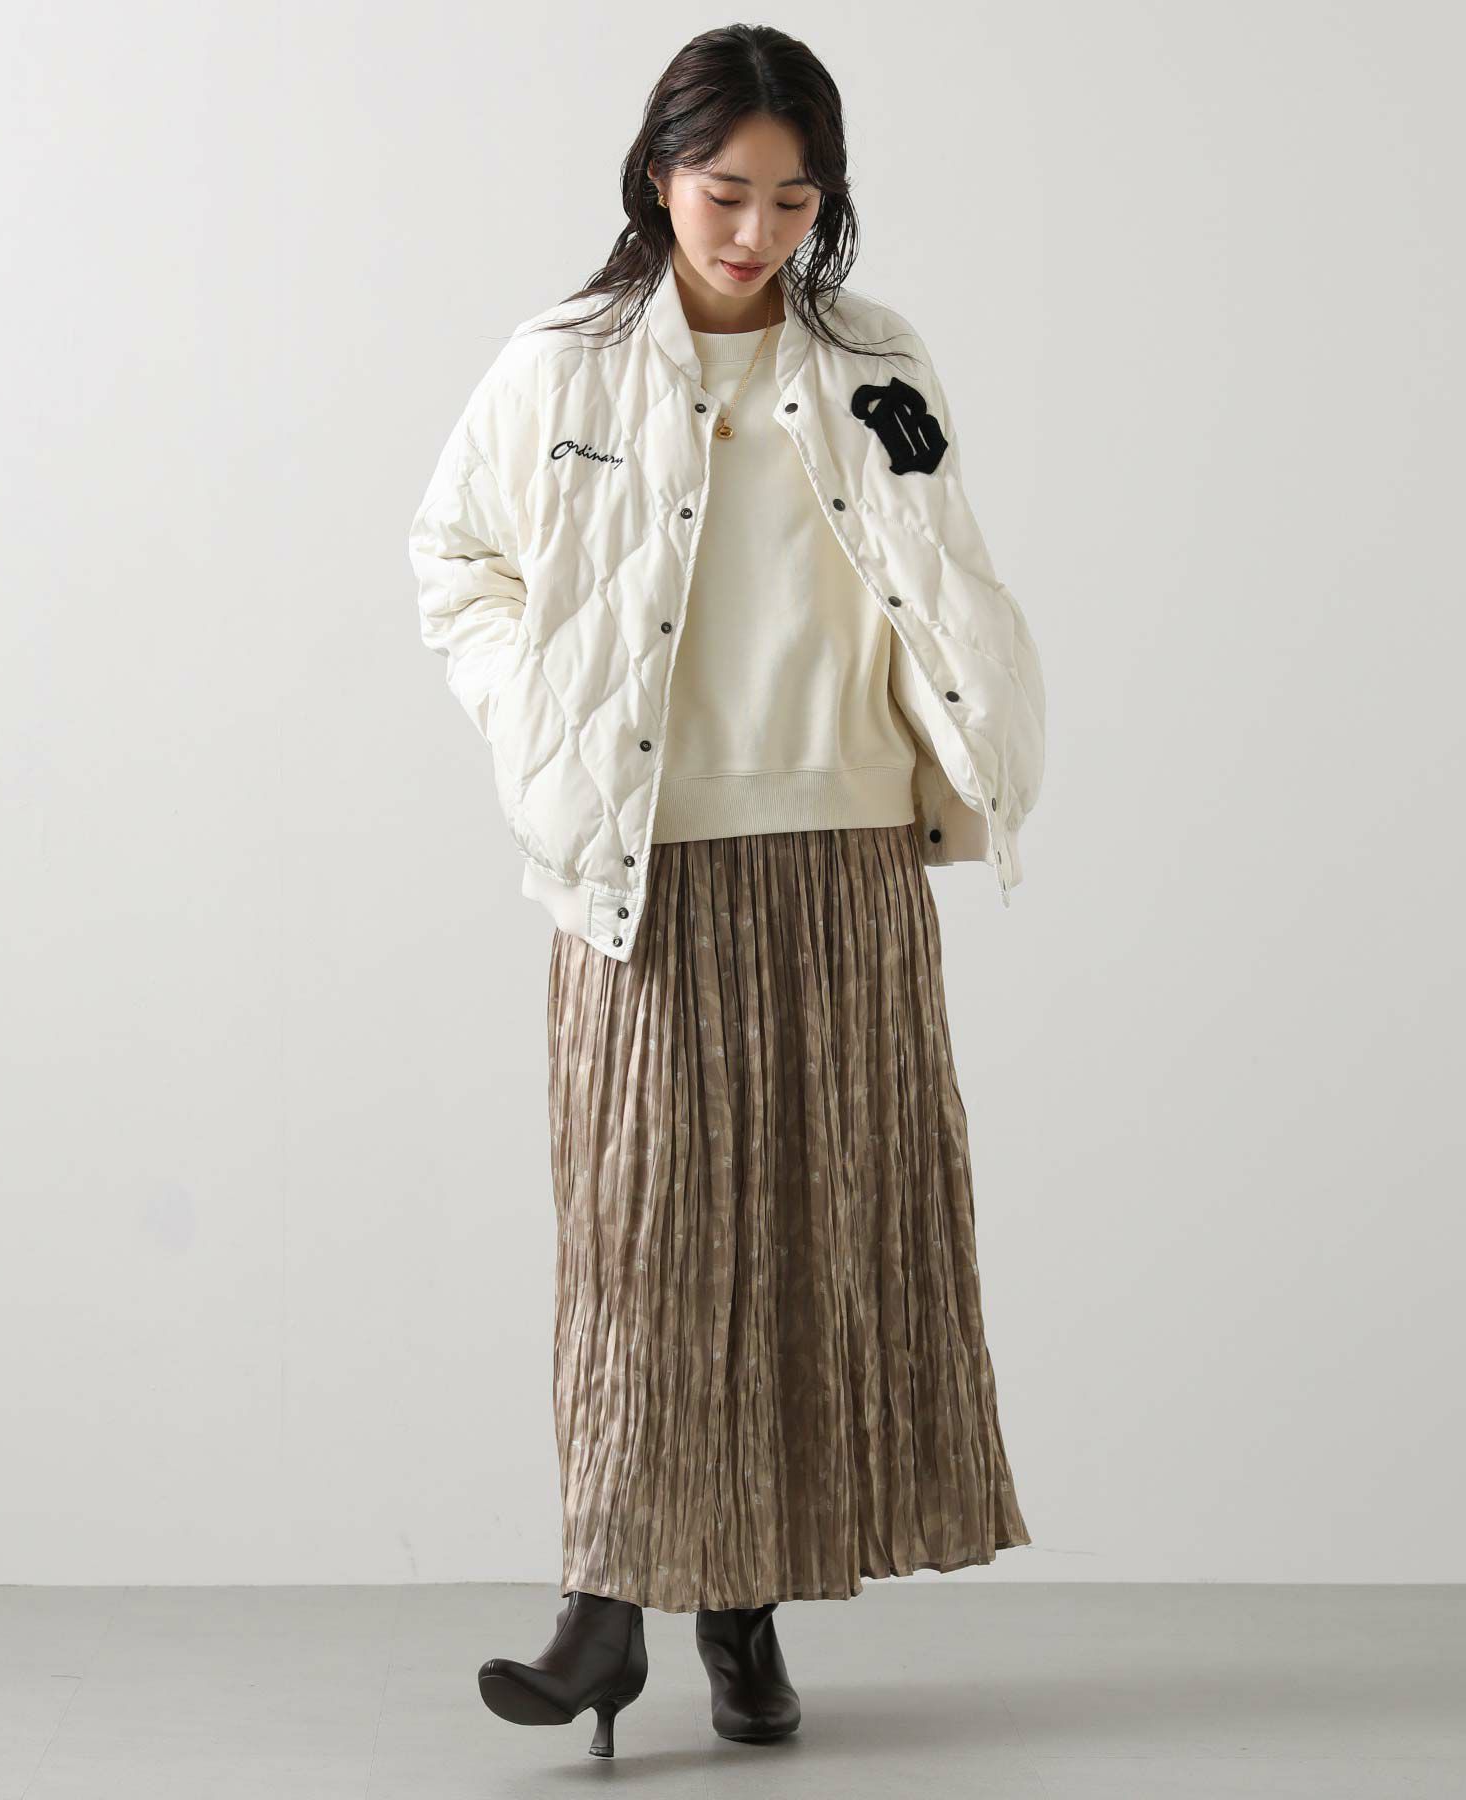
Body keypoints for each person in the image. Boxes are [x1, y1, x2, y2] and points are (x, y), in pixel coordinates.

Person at [407, 22, 1046, 1762]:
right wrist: (532, 713)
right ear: (657, 179)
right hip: (639, 869)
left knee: (809, 1242)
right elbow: (452, 558)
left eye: (792, 198)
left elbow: (941, 563)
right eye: (723, 192)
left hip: (845, 856)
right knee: (645, 1249)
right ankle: (603, 1608)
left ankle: (742, 1614)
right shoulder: (564, 364)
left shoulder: (876, 359)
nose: (756, 231)